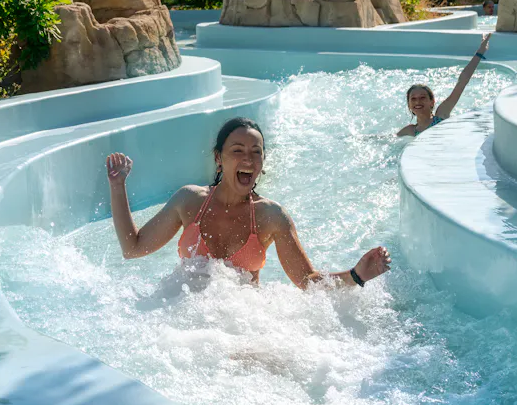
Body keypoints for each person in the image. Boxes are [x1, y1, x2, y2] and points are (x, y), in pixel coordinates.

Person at [104, 117, 391, 289]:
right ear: (219, 158)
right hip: (181, 313)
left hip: (238, 324)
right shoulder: (189, 201)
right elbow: (134, 248)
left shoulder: (271, 216)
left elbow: (307, 281)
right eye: (237, 150)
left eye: (256, 152)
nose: (248, 159)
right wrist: (118, 187)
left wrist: (357, 275)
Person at [398, 32, 492, 138]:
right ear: (409, 105)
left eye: (422, 97)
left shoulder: (440, 116)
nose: (418, 101)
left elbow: (462, 82)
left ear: (432, 101)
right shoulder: (410, 131)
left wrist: (480, 52)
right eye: (413, 99)